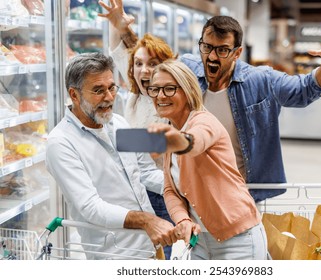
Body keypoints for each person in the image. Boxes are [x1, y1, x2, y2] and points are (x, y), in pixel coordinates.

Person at [99, 1, 321, 203]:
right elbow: (147, 59)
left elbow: (304, 90)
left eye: (222, 50)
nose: (211, 56)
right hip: (194, 190)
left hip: (241, 191)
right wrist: (122, 29)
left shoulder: (260, 80)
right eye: (206, 47)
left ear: (237, 52)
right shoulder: (187, 69)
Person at [45, 52, 177, 259]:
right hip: (115, 254)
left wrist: (186, 186)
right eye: (98, 91)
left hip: (150, 245)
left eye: (111, 87)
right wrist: (146, 220)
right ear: (74, 95)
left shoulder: (119, 122)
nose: (109, 97)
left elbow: (146, 172)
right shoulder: (60, 143)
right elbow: (90, 207)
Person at [146, 59, 267, 260]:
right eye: (155, 89)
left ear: (187, 91)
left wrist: (178, 141)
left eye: (169, 89)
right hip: (199, 242)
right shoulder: (171, 129)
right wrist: (182, 219)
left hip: (238, 239)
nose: (160, 96)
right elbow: (170, 190)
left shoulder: (203, 121)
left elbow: (196, 142)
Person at [98, 0, 177, 259]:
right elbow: (118, 52)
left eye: (153, 64)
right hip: (138, 191)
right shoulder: (137, 94)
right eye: (139, 64)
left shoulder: (169, 102)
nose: (145, 70)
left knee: (167, 256)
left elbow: (160, 146)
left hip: (165, 195)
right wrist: (116, 23)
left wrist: (107, 139)